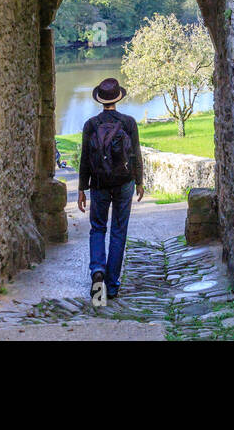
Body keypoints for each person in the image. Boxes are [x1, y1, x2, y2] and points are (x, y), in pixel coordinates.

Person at [77, 77, 144, 304]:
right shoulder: (128, 123)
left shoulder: (90, 125)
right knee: (118, 231)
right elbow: (135, 155)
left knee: (97, 228)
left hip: (98, 184)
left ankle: (97, 270)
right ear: (118, 98)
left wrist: (81, 189)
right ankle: (112, 286)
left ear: (100, 100)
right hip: (124, 182)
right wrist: (140, 182)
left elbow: (85, 160)